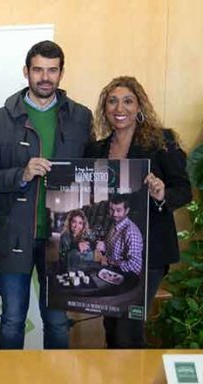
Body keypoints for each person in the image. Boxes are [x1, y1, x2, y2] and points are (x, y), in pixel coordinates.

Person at [0, 40, 93, 350]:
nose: (45, 77)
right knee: (13, 320)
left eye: (52, 70)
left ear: (61, 73)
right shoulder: (0, 119)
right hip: (14, 233)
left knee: (57, 322)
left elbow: (95, 172)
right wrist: (22, 174)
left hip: (63, 236)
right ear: (26, 71)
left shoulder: (81, 117)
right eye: (38, 69)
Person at [85, 75, 192, 348]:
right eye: (112, 102)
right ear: (104, 108)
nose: (120, 109)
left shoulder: (162, 143)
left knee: (128, 329)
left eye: (128, 101)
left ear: (139, 107)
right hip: (112, 250)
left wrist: (161, 194)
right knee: (111, 322)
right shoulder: (95, 149)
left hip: (150, 252)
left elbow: (184, 189)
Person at [95, 195, 143, 275]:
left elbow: (135, 266)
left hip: (122, 275)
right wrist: (104, 247)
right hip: (109, 271)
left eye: (118, 210)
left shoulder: (131, 232)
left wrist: (109, 261)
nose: (114, 214)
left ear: (127, 210)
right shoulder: (114, 224)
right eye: (111, 210)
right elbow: (114, 251)